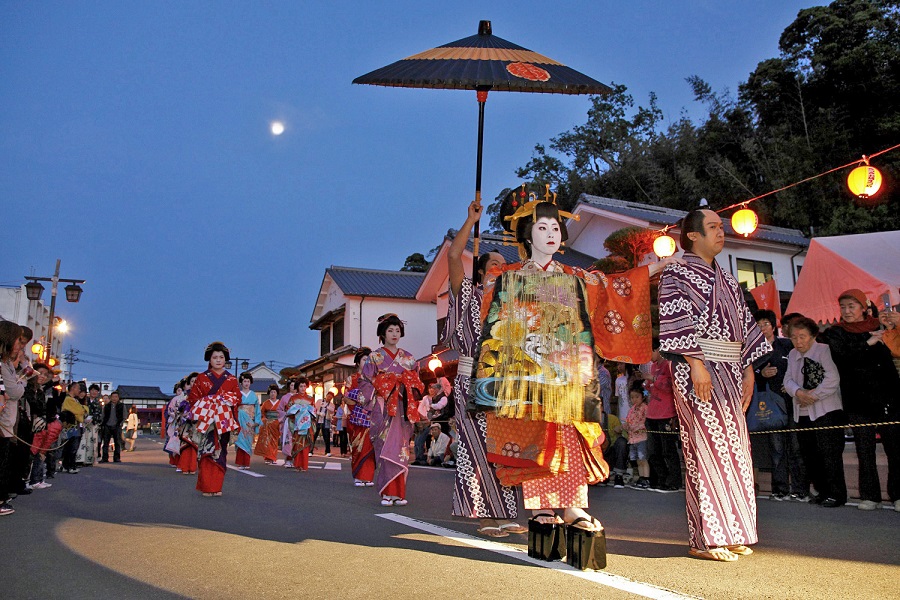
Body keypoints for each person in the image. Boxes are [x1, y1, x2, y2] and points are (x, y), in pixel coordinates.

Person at [472, 191, 677, 539]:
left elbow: (613, 288)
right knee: (535, 441)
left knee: (571, 438)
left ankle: (572, 506)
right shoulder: (504, 276)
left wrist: (651, 269)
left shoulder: (576, 276)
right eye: (542, 226)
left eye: (556, 226)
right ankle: (541, 509)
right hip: (528, 374)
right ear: (526, 234)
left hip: (568, 376)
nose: (551, 233)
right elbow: (491, 316)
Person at [658, 209, 770, 562]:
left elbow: (745, 327)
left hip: (732, 369)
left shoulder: (730, 280)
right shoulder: (676, 272)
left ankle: (734, 529)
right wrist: (695, 363)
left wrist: (749, 369)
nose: (720, 232)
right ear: (692, 235)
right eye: (712, 227)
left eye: (721, 227)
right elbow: (675, 318)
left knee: (735, 449)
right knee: (705, 447)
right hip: (698, 368)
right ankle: (705, 538)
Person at [444, 199, 526, 538]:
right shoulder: (467, 294)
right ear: (481, 271)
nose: (500, 269)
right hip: (472, 376)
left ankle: (505, 511)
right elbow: (452, 256)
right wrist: (470, 220)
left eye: (504, 266)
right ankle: (484, 514)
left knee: (502, 446)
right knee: (476, 445)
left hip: (502, 381)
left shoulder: (511, 304)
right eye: (494, 264)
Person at [818, 289, 900, 512]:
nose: (847, 311)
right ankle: (870, 496)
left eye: (852, 306)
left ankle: (898, 495)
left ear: (864, 307)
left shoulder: (881, 326)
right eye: (843, 307)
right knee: (865, 450)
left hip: (888, 396)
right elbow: (842, 358)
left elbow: (897, 350)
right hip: (857, 398)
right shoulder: (836, 333)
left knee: (895, 449)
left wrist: (895, 325)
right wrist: (869, 343)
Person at [358, 314, 424, 506]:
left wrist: (408, 387)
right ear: (382, 333)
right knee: (386, 446)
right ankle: (388, 492)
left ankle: (399, 493)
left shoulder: (409, 359)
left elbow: (417, 383)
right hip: (383, 406)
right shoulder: (375, 357)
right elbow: (365, 381)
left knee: (401, 449)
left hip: (402, 406)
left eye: (397, 330)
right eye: (390, 330)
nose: (394, 334)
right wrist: (380, 391)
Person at [783, 317, 847, 507]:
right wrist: (799, 393)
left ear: (813, 336)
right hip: (802, 413)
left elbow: (832, 379)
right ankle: (822, 491)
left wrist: (814, 396)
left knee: (830, 454)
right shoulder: (792, 354)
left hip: (826, 411)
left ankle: (837, 494)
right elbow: (787, 380)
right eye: (794, 337)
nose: (798, 341)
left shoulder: (824, 350)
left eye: (802, 336)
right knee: (810, 454)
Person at [752, 309, 808, 501]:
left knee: (796, 446)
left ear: (773, 325)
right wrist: (761, 374)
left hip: (790, 402)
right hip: (768, 405)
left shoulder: (786, 345)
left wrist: (790, 385)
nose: (762, 328)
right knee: (776, 448)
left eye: (765, 324)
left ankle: (801, 488)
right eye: (758, 325)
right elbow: (748, 375)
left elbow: (798, 368)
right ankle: (780, 488)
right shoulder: (753, 350)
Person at [188, 342, 240, 497]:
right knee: (206, 451)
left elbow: (237, 398)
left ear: (225, 359)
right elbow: (193, 399)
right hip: (207, 421)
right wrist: (209, 402)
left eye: (221, 357)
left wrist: (224, 401)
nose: (218, 360)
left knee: (220, 451)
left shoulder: (231, 379)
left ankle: (217, 486)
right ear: (209, 360)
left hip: (222, 421)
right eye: (215, 357)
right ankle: (207, 487)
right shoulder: (202, 378)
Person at [645, 342, 681, 491]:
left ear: (658, 349)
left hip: (666, 413)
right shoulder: (653, 367)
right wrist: (647, 382)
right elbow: (652, 388)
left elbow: (670, 385)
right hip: (652, 413)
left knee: (668, 450)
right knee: (653, 451)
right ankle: (661, 479)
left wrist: (653, 379)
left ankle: (673, 481)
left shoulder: (669, 364)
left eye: (650, 351)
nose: (649, 356)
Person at [0, 321, 26, 515]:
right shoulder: (3, 365)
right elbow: (14, 391)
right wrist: (22, 381)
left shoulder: (6, 364)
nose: (20, 344)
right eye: (18, 339)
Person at [345, 348, 376, 486]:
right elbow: (347, 399)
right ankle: (359, 475)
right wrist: (361, 404)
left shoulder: (375, 378)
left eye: (369, 360)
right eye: (364, 360)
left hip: (373, 418)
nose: (367, 362)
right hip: (356, 418)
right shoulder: (352, 379)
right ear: (357, 362)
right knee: (358, 447)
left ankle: (368, 476)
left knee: (371, 448)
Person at [284, 379, 315, 471]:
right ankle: (297, 465)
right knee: (297, 444)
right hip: (297, 424)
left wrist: (308, 413)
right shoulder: (293, 398)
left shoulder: (310, 398)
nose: (303, 388)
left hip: (307, 424)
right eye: (301, 386)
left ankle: (304, 465)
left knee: (305, 445)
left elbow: (314, 410)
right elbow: (288, 409)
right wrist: (297, 412)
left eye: (304, 386)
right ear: (297, 387)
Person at [623, 386, 650, 489]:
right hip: (633, 437)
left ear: (642, 397)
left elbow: (645, 422)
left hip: (642, 437)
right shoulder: (632, 409)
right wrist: (626, 425)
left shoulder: (645, 408)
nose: (634, 399)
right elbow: (628, 420)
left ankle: (646, 478)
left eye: (637, 397)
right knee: (638, 460)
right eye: (632, 397)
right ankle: (641, 477)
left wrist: (635, 427)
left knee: (643, 458)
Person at [234, 372, 261, 469]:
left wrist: (257, 421)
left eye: (248, 381)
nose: (246, 383)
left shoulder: (253, 395)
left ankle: (246, 462)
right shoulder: (237, 394)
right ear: (241, 382)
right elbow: (234, 408)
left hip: (250, 420)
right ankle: (240, 462)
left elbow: (257, 409)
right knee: (241, 440)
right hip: (240, 419)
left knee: (248, 441)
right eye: (244, 381)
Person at [60, 381, 88, 473]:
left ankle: (66, 465)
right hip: (72, 425)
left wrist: (82, 410)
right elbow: (80, 411)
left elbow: (81, 411)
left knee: (70, 446)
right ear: (73, 388)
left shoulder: (74, 399)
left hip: (74, 425)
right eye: (78, 388)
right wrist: (83, 410)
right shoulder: (69, 399)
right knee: (72, 447)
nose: (79, 390)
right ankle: (70, 466)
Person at [175, 372, 200, 475]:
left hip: (198, 422)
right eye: (192, 381)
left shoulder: (202, 395)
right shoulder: (185, 396)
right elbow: (179, 409)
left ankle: (192, 467)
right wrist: (183, 413)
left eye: (196, 381)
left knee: (194, 445)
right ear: (189, 383)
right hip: (187, 423)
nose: (194, 383)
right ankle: (185, 467)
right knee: (186, 445)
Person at [254, 384, 282, 464]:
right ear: (269, 393)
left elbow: (282, 413)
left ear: (277, 393)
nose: (273, 394)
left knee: (274, 441)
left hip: (276, 424)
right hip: (267, 424)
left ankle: (273, 457)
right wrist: (264, 419)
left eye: (274, 392)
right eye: (271, 392)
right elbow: (261, 413)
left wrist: (280, 420)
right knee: (267, 441)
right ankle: (267, 457)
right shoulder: (266, 403)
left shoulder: (280, 403)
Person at [76, 383, 102, 466]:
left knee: (92, 442)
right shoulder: (84, 400)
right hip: (83, 423)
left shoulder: (98, 403)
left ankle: (89, 460)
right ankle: (80, 460)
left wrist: (94, 419)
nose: (94, 392)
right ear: (89, 391)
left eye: (96, 391)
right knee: (83, 441)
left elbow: (100, 415)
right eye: (92, 390)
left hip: (93, 425)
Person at [99, 391, 125, 463]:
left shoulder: (121, 405)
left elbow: (124, 415)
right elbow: (103, 415)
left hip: (117, 425)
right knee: (106, 443)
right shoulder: (107, 406)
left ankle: (116, 458)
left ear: (118, 398)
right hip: (107, 425)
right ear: (111, 397)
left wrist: (121, 423)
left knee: (117, 442)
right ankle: (105, 458)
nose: (114, 398)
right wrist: (102, 423)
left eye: (116, 397)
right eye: (113, 397)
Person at [164, 381, 185, 467]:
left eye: (181, 390)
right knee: (171, 442)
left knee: (181, 443)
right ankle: (172, 460)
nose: (179, 392)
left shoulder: (185, 399)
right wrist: (173, 415)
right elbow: (167, 412)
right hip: (173, 423)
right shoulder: (172, 400)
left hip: (182, 423)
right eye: (178, 390)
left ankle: (180, 461)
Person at [312, 391, 334, 456]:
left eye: (331, 397)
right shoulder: (319, 401)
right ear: (326, 395)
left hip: (326, 421)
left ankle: (327, 451)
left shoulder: (331, 405)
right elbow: (314, 409)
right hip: (318, 420)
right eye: (328, 396)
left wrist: (326, 407)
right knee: (314, 435)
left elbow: (332, 411)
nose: (329, 398)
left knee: (326, 436)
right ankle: (310, 450)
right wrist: (318, 413)